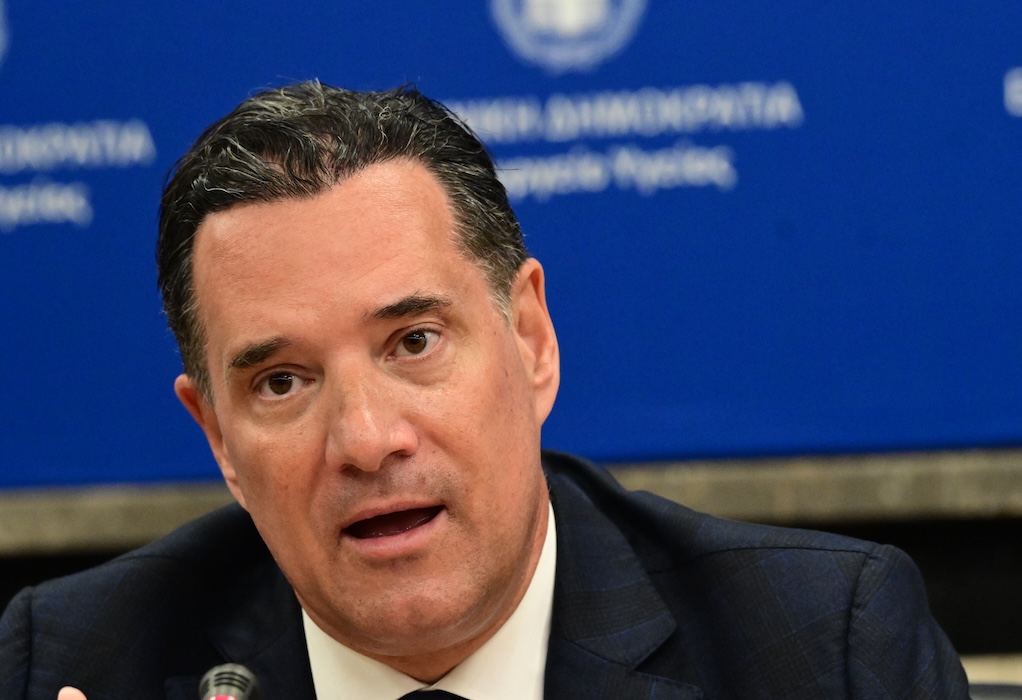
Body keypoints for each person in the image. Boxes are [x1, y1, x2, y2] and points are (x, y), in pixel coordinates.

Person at [0, 81, 969, 699]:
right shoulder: (69, 663)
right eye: (282, 381)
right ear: (217, 435)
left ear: (531, 341)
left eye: (413, 341)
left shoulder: (819, 649)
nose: (366, 439)